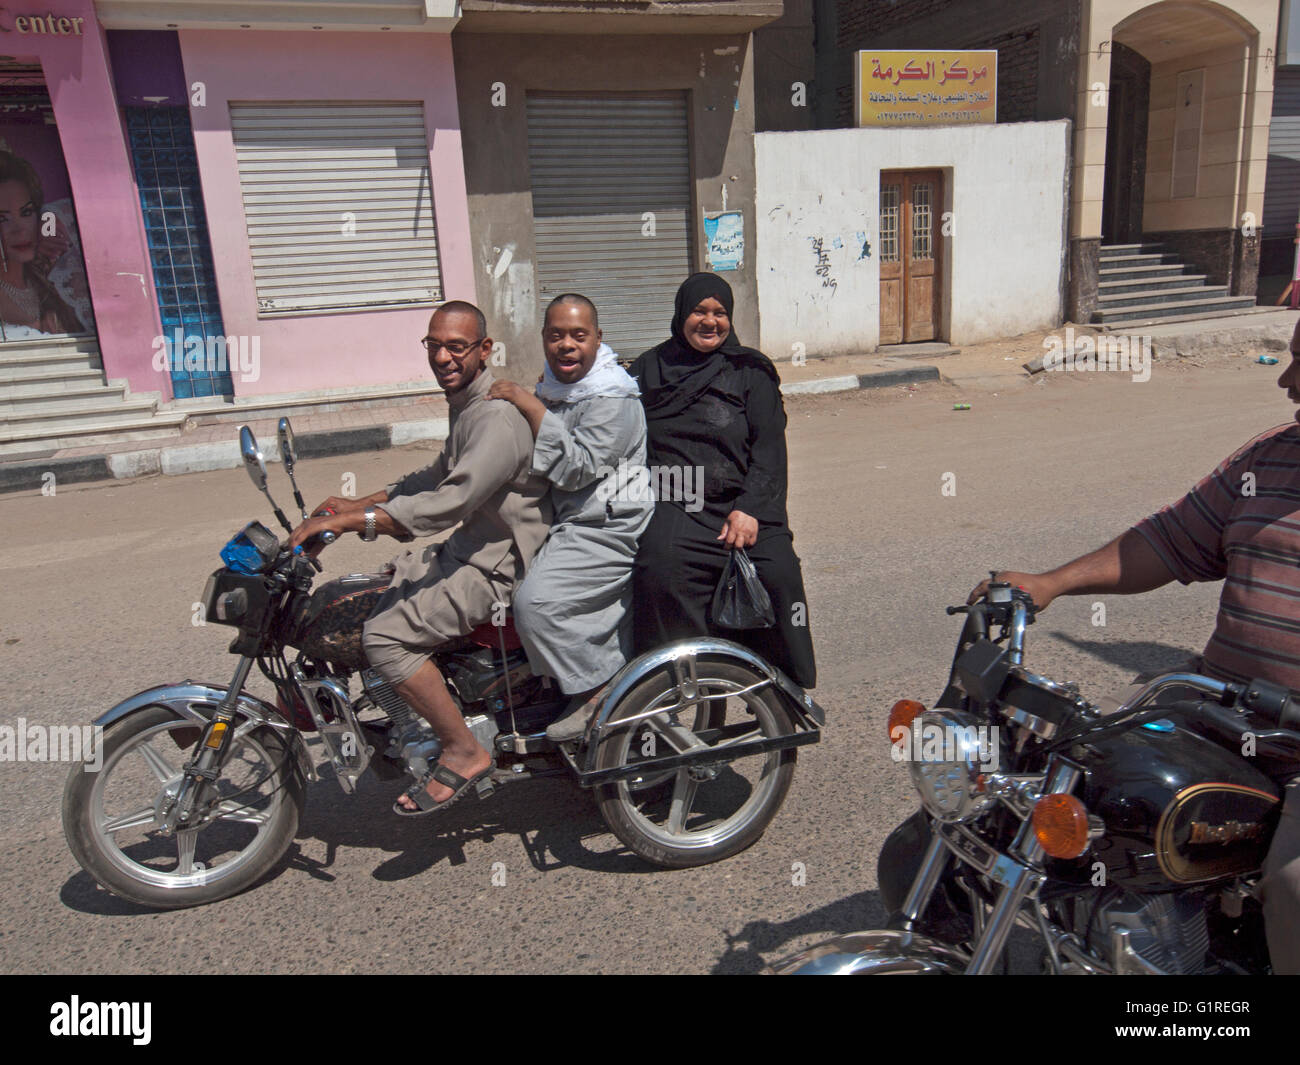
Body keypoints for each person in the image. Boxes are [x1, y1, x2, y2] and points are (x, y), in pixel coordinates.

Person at [968, 323, 1300, 974]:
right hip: (1221, 711)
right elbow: (1171, 540)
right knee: (1099, 771)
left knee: (1293, 886)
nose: (1286, 380)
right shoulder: (1270, 458)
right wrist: (1052, 582)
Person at [288, 300, 550, 815]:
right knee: (365, 593)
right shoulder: (469, 404)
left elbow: (449, 501)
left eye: (457, 346)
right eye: (435, 345)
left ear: (483, 349)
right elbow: (430, 477)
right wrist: (353, 503)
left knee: (383, 636)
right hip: (470, 551)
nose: (444, 357)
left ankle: (463, 749)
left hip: (497, 566)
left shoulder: (496, 416)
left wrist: (348, 524)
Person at [627, 272, 816, 689]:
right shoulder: (649, 370)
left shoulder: (750, 371)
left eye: (720, 313)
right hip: (679, 501)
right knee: (660, 568)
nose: (710, 321)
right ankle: (673, 682)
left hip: (744, 501)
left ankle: (780, 685)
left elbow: (769, 450)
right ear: (681, 315)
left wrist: (749, 509)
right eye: (699, 311)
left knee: (778, 572)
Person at [487, 293, 653, 741]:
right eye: (556, 335)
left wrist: (530, 404)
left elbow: (578, 467)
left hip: (605, 525)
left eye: (579, 336)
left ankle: (601, 689)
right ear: (543, 338)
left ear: (599, 340)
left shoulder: (611, 396)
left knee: (535, 605)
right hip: (564, 518)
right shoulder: (559, 390)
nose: (566, 345)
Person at [0, 150, 83, 335]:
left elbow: (59, 212)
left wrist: (48, 219)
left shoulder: (52, 279)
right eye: (2, 219)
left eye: (26, 213)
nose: (19, 229)